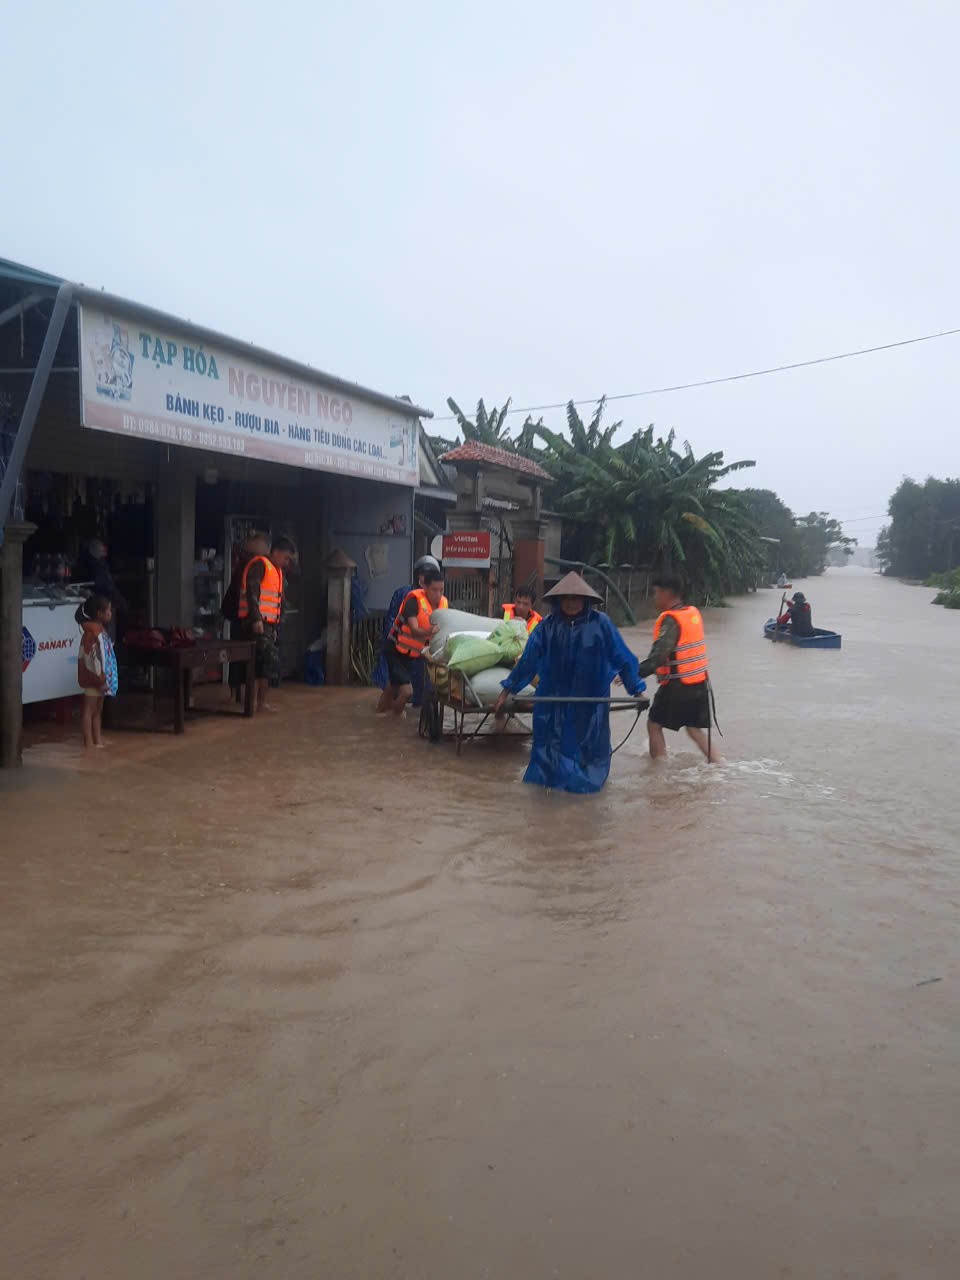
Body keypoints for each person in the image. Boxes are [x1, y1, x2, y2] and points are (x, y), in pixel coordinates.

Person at [492, 571, 646, 794]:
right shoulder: (547, 627)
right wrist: (506, 692)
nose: (571, 603)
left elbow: (623, 657)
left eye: (576, 598)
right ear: (558, 600)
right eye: (566, 598)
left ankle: (581, 797)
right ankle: (552, 799)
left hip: (590, 704)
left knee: (588, 754)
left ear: (585, 600)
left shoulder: (601, 625)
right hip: (553, 703)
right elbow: (528, 661)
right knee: (549, 757)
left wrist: (637, 692)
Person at [636, 573, 718, 763]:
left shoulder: (671, 620)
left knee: (654, 725)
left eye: (656, 593)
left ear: (667, 593)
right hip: (700, 683)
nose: (654, 598)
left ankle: (659, 772)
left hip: (677, 686)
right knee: (693, 729)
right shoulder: (692, 613)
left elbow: (658, 658)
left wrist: (631, 673)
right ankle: (718, 764)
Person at [236, 535, 297, 711]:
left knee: (266, 664)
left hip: (269, 625)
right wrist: (256, 619)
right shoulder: (260, 565)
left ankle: (261, 702)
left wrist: (275, 626)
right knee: (259, 662)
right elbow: (252, 594)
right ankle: (253, 702)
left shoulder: (277, 571)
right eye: (285, 557)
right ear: (276, 552)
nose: (286, 562)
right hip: (256, 623)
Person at [377, 568, 448, 717]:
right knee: (407, 691)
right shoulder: (413, 601)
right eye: (434, 590)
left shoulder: (443, 604)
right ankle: (393, 720)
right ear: (425, 587)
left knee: (394, 686)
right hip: (394, 650)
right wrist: (431, 631)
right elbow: (415, 630)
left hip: (412, 653)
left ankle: (380, 714)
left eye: (441, 590)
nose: (438, 594)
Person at [75, 594, 118, 749]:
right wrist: (100, 680)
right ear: (99, 613)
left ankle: (97, 741)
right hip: (94, 679)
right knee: (89, 710)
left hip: (101, 679)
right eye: (108, 610)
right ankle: (88, 743)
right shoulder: (92, 633)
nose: (110, 613)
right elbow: (92, 660)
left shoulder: (100, 631)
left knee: (97, 711)